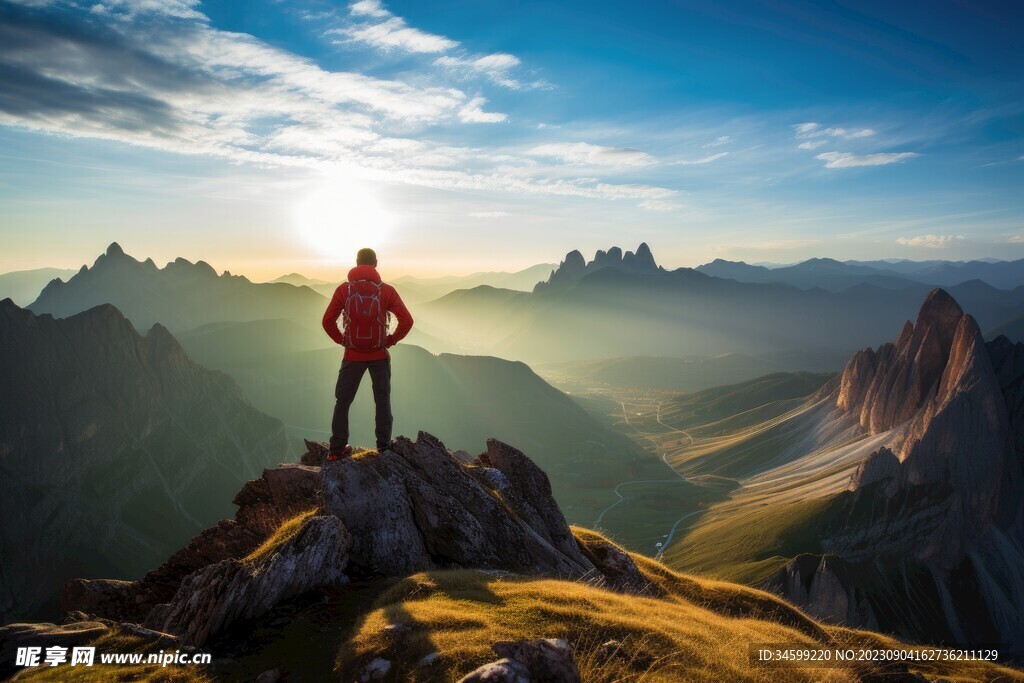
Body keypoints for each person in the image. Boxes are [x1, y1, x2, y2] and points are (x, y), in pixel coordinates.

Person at [321, 248, 413, 461]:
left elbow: (327, 321)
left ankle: (336, 449)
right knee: (382, 400)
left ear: (356, 263)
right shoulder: (387, 291)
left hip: (352, 356)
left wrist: (343, 340)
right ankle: (384, 447)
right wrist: (389, 340)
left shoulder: (344, 290)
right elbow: (407, 321)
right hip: (379, 356)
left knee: (343, 401)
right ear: (376, 264)